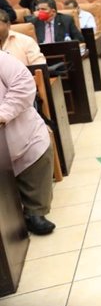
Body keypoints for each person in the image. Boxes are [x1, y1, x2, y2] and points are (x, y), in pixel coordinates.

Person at [0, 51, 55, 235]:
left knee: (35, 156)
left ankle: (34, 212)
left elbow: (24, 83)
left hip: (22, 137)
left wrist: (3, 115)